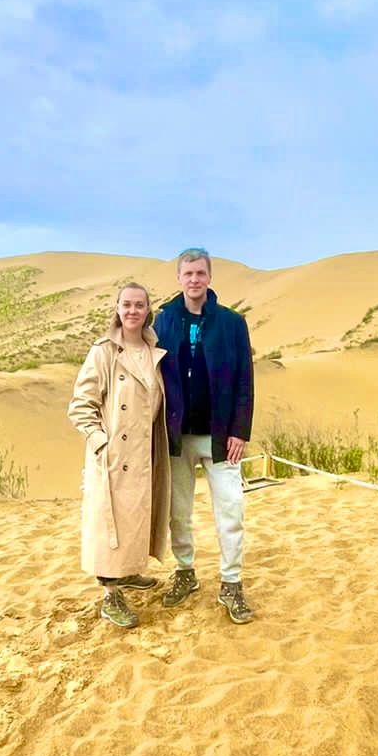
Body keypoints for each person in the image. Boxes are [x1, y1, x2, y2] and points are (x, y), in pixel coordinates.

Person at [154, 248, 255, 624]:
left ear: (209, 277)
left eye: (200, 273)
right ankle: (185, 571)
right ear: (179, 278)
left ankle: (231, 582)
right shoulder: (164, 320)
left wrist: (239, 431)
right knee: (178, 512)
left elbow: (244, 379)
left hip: (220, 436)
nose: (194, 280)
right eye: (188, 274)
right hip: (177, 435)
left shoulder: (231, 323)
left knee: (230, 510)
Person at [67, 281, 175, 629]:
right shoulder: (103, 352)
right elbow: (80, 405)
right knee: (110, 523)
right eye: (126, 304)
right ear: (117, 309)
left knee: (135, 517)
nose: (132, 311)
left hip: (144, 453)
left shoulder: (153, 350)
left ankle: (128, 572)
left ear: (148, 310)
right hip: (114, 456)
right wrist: (101, 442)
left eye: (139, 305)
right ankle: (110, 596)